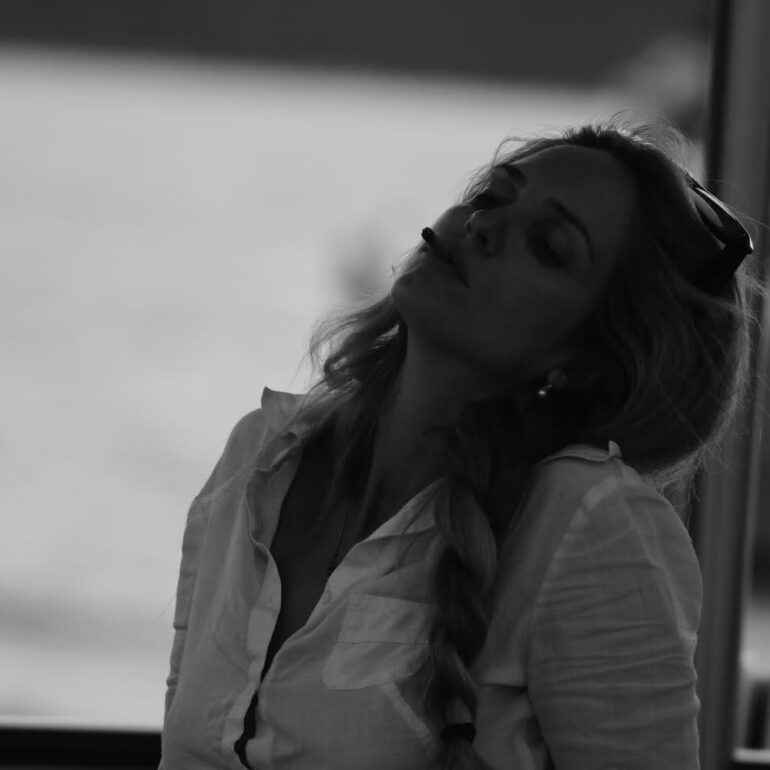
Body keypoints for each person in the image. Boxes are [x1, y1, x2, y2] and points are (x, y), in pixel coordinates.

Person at [159, 116, 763, 770]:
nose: (484, 226)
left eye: (548, 245)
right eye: (493, 196)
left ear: (588, 361)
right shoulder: (260, 454)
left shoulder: (588, 522)